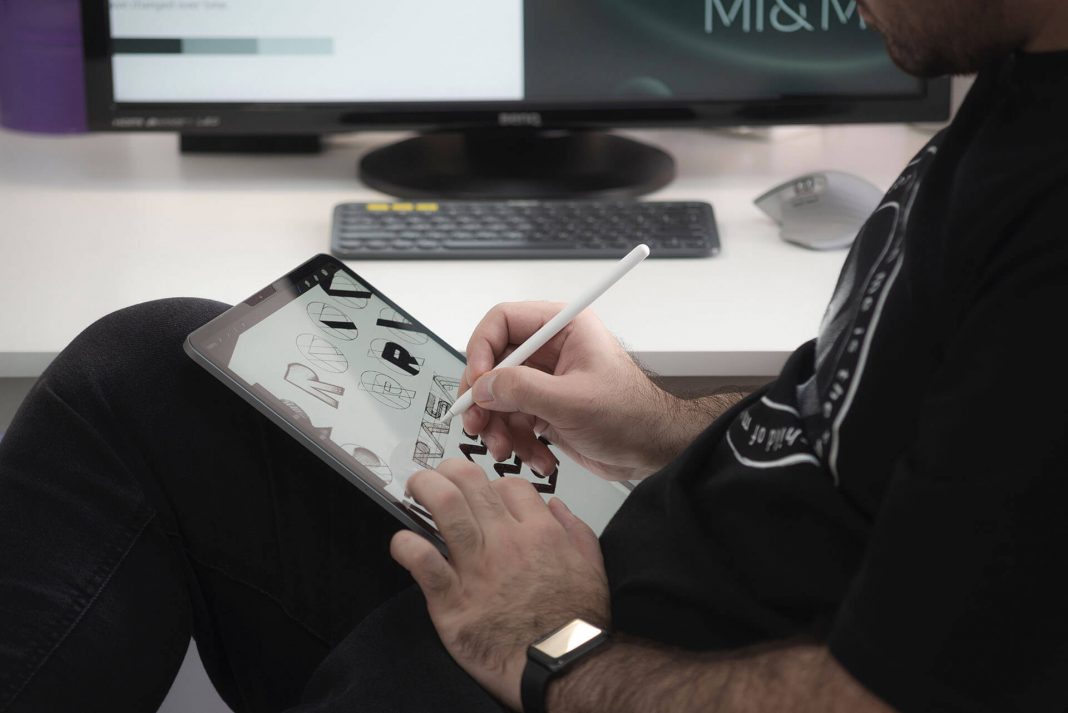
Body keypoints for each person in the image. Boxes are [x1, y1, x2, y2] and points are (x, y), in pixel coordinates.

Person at [3, 0, 1068, 711]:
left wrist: (554, 643)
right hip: (620, 587)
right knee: (150, 372)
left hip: (612, 666)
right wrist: (654, 419)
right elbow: (872, 425)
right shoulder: (1017, 88)